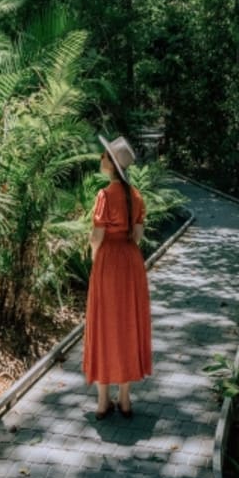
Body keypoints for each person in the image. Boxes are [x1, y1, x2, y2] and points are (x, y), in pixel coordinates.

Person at [83, 134, 152, 419]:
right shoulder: (135, 195)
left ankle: (102, 401)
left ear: (111, 165)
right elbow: (137, 235)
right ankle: (124, 399)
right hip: (131, 262)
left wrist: (92, 252)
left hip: (109, 262)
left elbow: (97, 236)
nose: (101, 158)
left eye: (104, 155)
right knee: (126, 324)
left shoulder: (104, 195)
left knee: (103, 323)